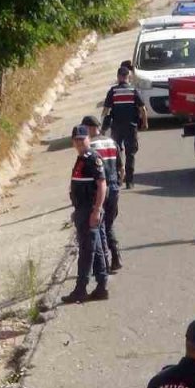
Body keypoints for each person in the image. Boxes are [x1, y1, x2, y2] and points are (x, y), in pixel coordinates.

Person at [61, 125, 108, 304]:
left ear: (88, 139)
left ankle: (81, 289)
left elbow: (102, 184)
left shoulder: (91, 158)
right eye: (76, 140)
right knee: (94, 249)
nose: (79, 143)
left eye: (82, 139)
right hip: (82, 209)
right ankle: (101, 286)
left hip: (89, 209)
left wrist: (96, 210)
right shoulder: (81, 159)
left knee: (86, 250)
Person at [82, 115, 123, 271]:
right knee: (109, 224)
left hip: (99, 189)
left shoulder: (89, 146)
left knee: (98, 226)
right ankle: (116, 256)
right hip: (114, 188)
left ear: (90, 128)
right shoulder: (112, 142)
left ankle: (105, 261)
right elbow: (121, 168)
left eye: (84, 129)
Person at [102, 66, 148, 189]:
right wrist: (145, 123)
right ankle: (130, 181)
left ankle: (117, 178)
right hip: (131, 127)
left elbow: (105, 110)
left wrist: (103, 126)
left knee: (116, 152)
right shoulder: (133, 91)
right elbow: (142, 109)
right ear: (128, 77)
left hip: (116, 127)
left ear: (118, 77)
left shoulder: (113, 91)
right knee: (130, 153)